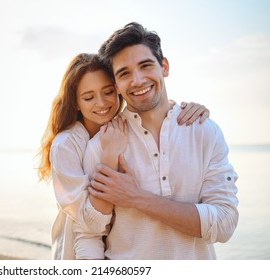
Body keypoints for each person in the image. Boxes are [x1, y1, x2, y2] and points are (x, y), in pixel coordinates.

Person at [82, 22, 239, 259]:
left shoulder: (204, 131)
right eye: (124, 73)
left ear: (164, 67)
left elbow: (225, 224)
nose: (137, 80)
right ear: (115, 85)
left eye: (145, 66)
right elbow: (89, 233)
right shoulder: (103, 144)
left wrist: (137, 198)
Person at [38, 53, 210, 260]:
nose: (101, 103)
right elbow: (88, 222)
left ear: (118, 90)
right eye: (88, 97)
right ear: (75, 102)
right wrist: (111, 154)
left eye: (108, 92)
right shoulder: (65, 145)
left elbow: (157, 108)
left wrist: (183, 108)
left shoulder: (121, 127)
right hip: (77, 254)